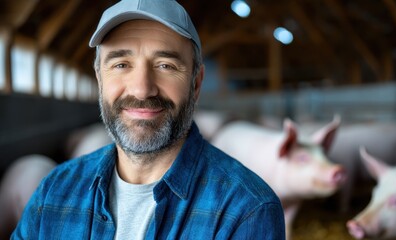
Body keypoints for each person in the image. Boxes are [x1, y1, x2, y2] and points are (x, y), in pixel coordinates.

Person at [11, 0, 285, 239]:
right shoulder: (53, 192)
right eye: (121, 65)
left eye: (165, 66)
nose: (142, 89)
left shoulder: (246, 210)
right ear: (99, 79)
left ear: (196, 83)